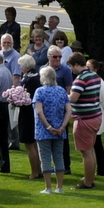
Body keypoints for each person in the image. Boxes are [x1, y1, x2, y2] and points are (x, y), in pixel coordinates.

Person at [66, 52, 104, 189]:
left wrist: (64, 95)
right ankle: (90, 178)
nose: (71, 69)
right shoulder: (95, 76)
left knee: (86, 152)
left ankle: (88, 182)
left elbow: (73, 98)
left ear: (76, 64)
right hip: (95, 116)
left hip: (84, 118)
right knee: (90, 150)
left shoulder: (80, 79)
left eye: (71, 66)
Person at [33, 63, 70, 195]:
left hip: (43, 130)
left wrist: (48, 127)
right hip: (60, 130)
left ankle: (48, 187)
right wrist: (62, 127)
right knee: (59, 157)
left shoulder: (40, 91)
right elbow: (68, 111)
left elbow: (39, 112)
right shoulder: (62, 91)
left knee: (45, 158)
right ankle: (59, 187)